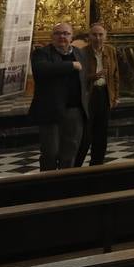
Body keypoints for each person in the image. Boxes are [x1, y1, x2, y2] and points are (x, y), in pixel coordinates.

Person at [28, 23, 87, 171]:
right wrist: (71, 65)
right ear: (52, 37)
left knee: (70, 151)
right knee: (50, 152)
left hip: (74, 110)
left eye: (66, 33)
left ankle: (65, 185)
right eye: (58, 33)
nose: (62, 36)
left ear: (72, 36)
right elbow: (42, 69)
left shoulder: (80, 53)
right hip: (51, 111)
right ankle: (48, 186)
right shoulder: (42, 53)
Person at [76, 22, 121, 166]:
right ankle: (75, 167)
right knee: (86, 135)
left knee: (101, 134)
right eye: (94, 35)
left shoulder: (110, 50)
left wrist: (115, 96)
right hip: (89, 95)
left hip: (105, 94)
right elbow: (78, 78)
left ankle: (97, 166)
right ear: (89, 37)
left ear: (105, 36)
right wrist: (92, 77)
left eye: (101, 35)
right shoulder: (82, 52)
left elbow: (115, 75)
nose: (98, 38)